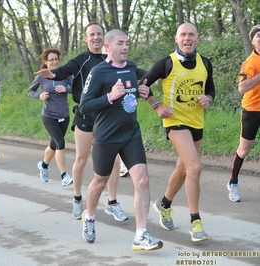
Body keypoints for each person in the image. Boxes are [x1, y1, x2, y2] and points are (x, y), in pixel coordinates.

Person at [79, 29, 163, 251]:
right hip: (106, 136)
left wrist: (144, 92)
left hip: (131, 133)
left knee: (143, 180)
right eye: (120, 43)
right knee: (100, 181)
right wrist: (109, 97)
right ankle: (88, 218)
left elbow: (146, 83)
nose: (125, 47)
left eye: (127, 43)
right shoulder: (99, 72)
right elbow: (84, 106)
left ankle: (141, 235)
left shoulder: (132, 68)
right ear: (107, 47)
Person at [35, 22, 128, 222]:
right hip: (86, 115)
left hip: (108, 115)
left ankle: (112, 203)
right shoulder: (80, 60)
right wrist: (51, 74)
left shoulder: (111, 58)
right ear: (85, 38)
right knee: (82, 160)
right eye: (92, 34)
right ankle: (77, 199)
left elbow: (129, 72)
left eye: (99, 34)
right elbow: (63, 70)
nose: (96, 37)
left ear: (104, 38)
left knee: (114, 161)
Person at [143, 23, 216, 242]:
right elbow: (142, 86)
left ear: (197, 38)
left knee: (183, 169)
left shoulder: (205, 63)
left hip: (197, 122)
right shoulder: (167, 63)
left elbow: (211, 89)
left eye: (191, 34)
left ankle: (163, 204)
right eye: (183, 35)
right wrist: (157, 106)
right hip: (175, 121)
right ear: (176, 38)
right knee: (195, 167)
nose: (187, 38)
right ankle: (196, 222)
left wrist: (208, 98)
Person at [28, 48, 73, 186]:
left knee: (54, 144)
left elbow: (78, 89)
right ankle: (64, 176)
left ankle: (44, 165)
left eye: (55, 59)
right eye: (51, 60)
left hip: (64, 115)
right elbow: (30, 91)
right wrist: (39, 95)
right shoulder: (41, 76)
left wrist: (66, 89)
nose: (54, 62)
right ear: (46, 62)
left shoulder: (65, 74)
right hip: (49, 116)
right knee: (60, 143)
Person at [227, 25, 260, 203]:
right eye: (258, 36)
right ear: (253, 41)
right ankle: (232, 183)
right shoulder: (250, 62)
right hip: (252, 111)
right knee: (244, 150)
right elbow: (242, 88)